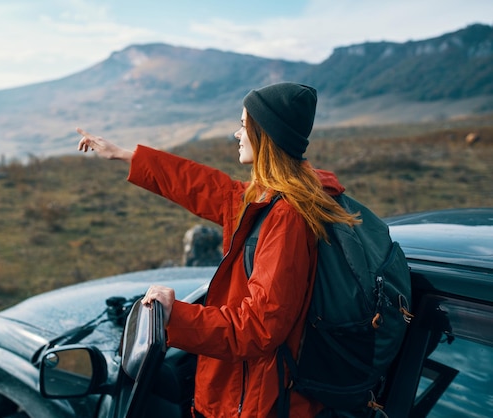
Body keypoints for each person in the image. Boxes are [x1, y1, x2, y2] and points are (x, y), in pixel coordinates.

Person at [77, 82, 360, 418]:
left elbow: (258, 327)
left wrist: (174, 315)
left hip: (257, 400)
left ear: (265, 134)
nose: (236, 134)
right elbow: (206, 187)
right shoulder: (272, 197)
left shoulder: (286, 217)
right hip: (251, 388)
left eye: (243, 125)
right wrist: (127, 155)